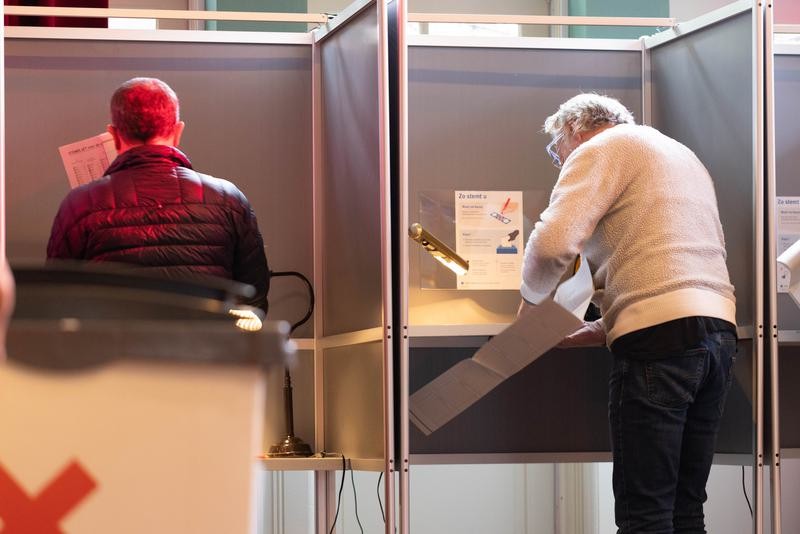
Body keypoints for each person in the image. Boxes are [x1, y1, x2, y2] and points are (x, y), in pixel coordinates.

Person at [520, 93, 737, 533]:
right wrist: (602, 326)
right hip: (718, 336)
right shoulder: (680, 155)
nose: (560, 163)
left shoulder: (599, 148)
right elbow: (675, 267)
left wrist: (527, 309)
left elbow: (553, 243)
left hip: (658, 344)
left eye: (556, 152)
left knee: (645, 515)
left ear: (574, 131)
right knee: (686, 509)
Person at [47, 77, 269, 312]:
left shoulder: (80, 204)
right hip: (205, 336)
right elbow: (252, 298)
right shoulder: (228, 199)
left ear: (114, 135)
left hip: (114, 336)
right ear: (178, 131)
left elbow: (56, 295)